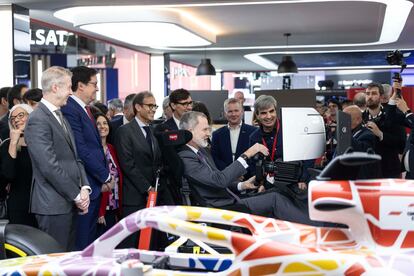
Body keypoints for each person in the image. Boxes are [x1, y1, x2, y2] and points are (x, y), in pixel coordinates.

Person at [178, 111, 319, 225]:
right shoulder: (186, 157)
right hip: (220, 208)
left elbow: (215, 179)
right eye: (205, 129)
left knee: (278, 191)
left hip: (229, 199)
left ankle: (311, 223)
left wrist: (241, 185)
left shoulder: (201, 152)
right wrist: (248, 153)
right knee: (275, 199)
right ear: (190, 131)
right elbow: (218, 181)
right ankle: (315, 230)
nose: (209, 133)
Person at [25, 66, 90, 251]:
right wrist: (77, 195)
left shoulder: (60, 115)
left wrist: (84, 187)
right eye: (69, 87)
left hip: (68, 202)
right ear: (55, 87)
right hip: (52, 205)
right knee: (54, 262)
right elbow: (48, 166)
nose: (71, 92)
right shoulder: (38, 118)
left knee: (67, 259)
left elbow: (75, 158)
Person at [61, 66, 113, 250]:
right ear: (80, 85)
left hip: (94, 185)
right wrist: (105, 176)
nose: (97, 88)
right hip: (85, 185)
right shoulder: (70, 109)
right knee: (82, 243)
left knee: (89, 241)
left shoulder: (85, 109)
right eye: (94, 84)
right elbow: (81, 149)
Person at [115, 92, 169, 247]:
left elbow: (156, 162)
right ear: (138, 107)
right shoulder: (124, 131)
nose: (153, 109)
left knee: (150, 242)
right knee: (133, 243)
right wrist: (147, 188)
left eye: (155, 106)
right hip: (134, 197)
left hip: (153, 197)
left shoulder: (152, 130)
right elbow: (127, 165)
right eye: (150, 106)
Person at [249, 95, 309, 190]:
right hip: (267, 186)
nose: (269, 116)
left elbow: (306, 155)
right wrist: (260, 184)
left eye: (271, 111)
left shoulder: (291, 129)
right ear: (257, 115)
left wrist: (303, 179)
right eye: (264, 113)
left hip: (293, 184)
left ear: (276, 111)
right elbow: (253, 165)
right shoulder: (254, 137)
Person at [0, 104, 37, 227]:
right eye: (13, 118)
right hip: (18, 206)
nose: (16, 120)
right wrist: (13, 143)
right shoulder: (7, 145)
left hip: (42, 205)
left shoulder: (42, 142)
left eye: (21, 115)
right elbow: (7, 176)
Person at [362, 82, 406, 178]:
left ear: (381, 97)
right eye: (367, 93)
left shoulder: (394, 115)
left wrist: (381, 134)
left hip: (389, 170)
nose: (370, 96)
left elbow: (402, 144)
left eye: (374, 93)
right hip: (366, 169)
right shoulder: (360, 117)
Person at [94, 113, 122, 236]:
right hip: (100, 208)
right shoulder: (91, 150)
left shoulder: (112, 148)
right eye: (98, 124)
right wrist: (100, 212)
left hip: (114, 205)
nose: (102, 126)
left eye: (105, 123)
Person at [211, 98, 257, 171]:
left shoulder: (253, 132)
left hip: (247, 177)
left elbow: (255, 157)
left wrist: (241, 173)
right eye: (230, 111)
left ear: (242, 112)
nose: (233, 114)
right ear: (225, 114)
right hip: (224, 177)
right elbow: (215, 158)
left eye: (236, 110)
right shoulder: (217, 134)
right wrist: (230, 173)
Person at [342, 105, 380, 179]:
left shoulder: (367, 134)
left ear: (358, 119)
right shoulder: (350, 132)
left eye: (346, 118)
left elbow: (361, 150)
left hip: (360, 179)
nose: (342, 121)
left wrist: (344, 133)